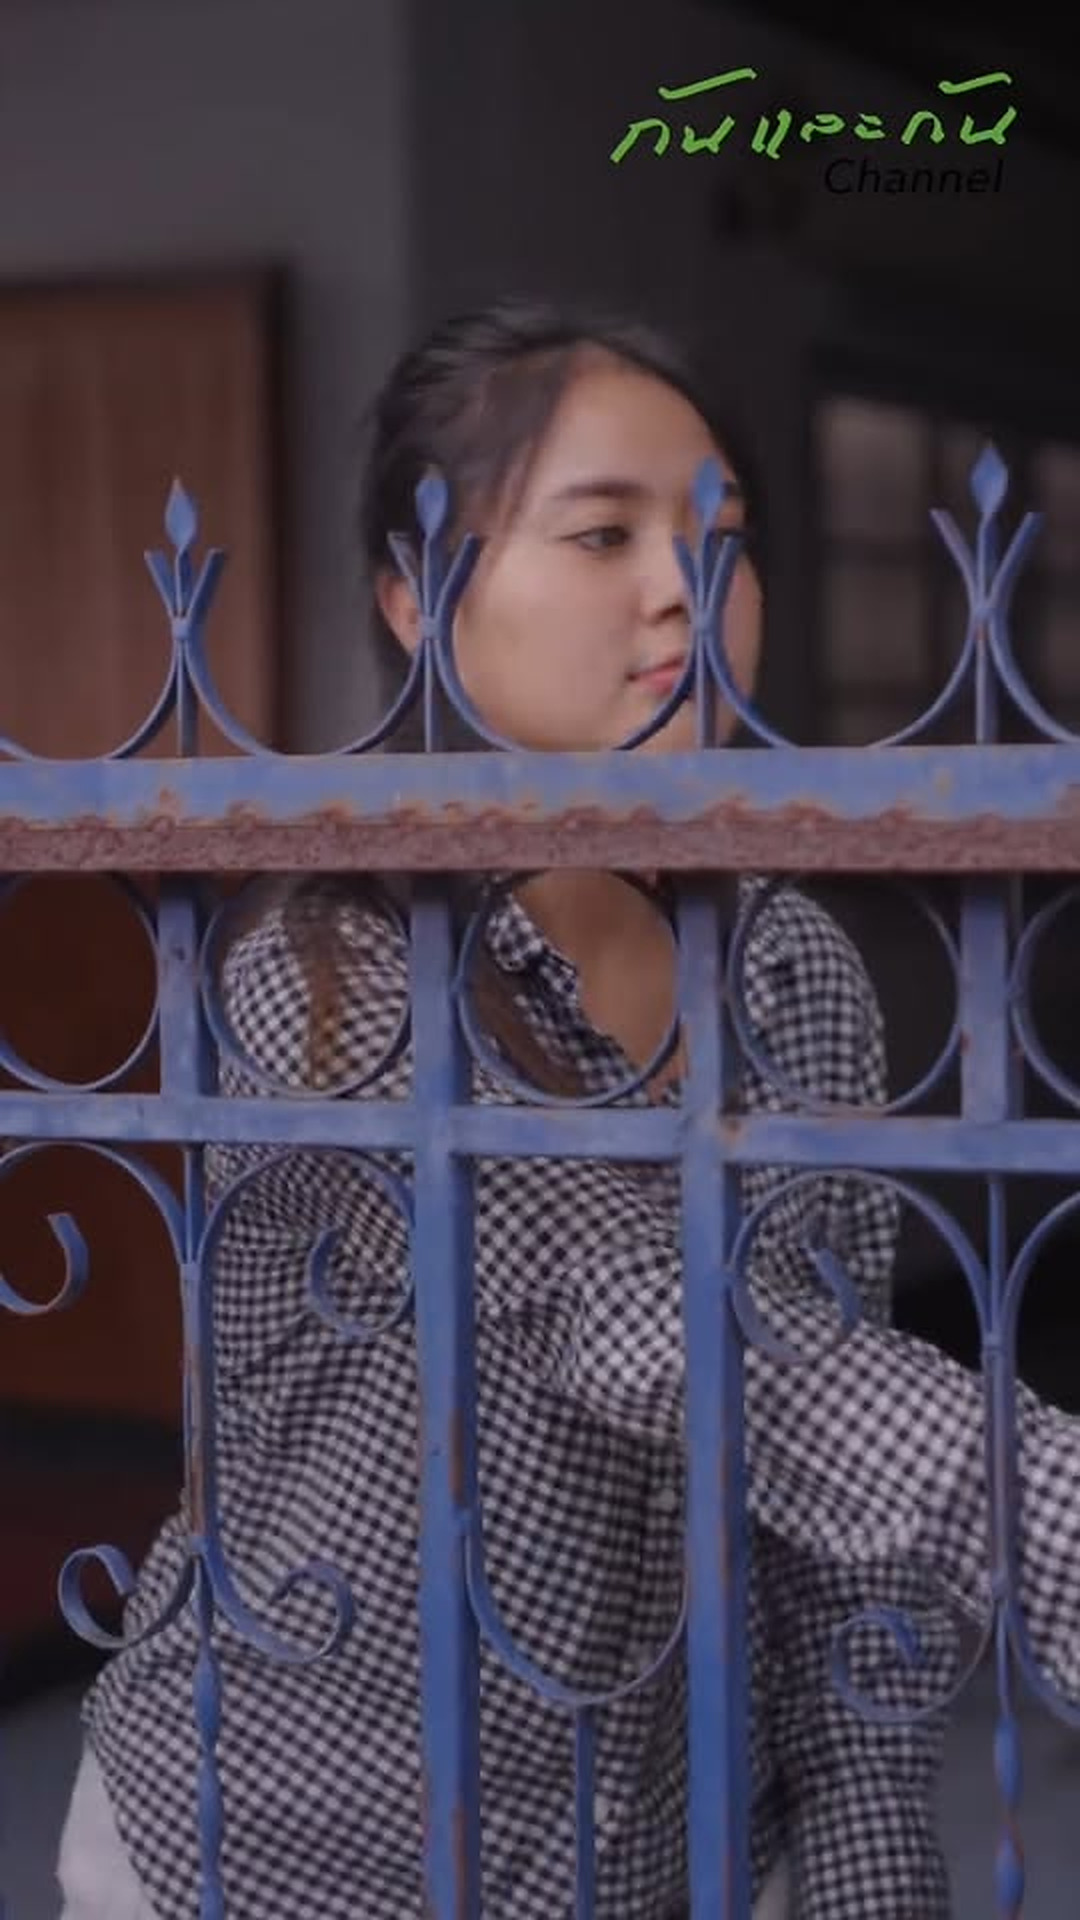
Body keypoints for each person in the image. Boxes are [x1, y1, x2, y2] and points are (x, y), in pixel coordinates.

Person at [55, 296, 1080, 1920]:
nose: (687, 587)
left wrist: (872, 1880)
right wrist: (1041, 1511)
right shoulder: (324, 977)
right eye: (603, 534)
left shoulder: (794, 964)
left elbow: (838, 1567)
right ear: (417, 600)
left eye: (724, 541)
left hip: (642, 1854)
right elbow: (628, 1318)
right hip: (280, 1848)